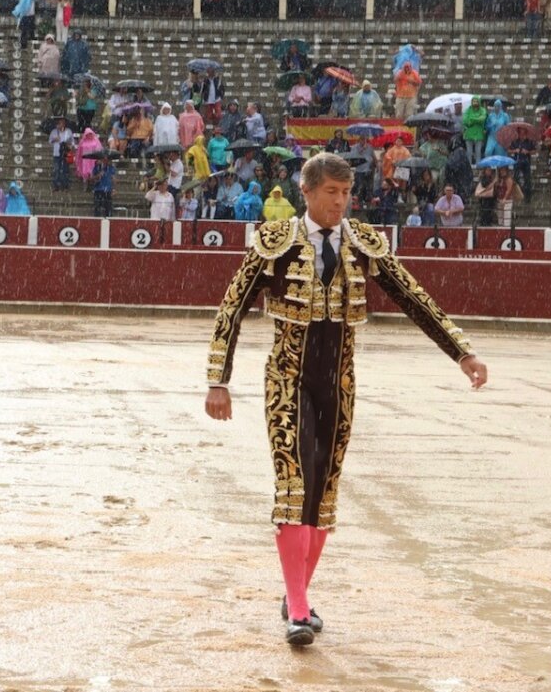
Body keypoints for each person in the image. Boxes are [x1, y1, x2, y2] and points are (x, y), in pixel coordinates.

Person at [203, 152, 487, 647]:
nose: (340, 202)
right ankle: (297, 609)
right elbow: (232, 306)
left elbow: (413, 297)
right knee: (295, 485)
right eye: (331, 192)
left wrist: (461, 352)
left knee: (322, 492)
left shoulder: (363, 243)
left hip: (340, 385)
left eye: (346, 192)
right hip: (287, 381)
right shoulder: (276, 243)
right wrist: (218, 380)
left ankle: (298, 593)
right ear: (307, 193)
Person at [49, 116, 74, 191]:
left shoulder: (68, 131)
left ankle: (65, 185)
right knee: (57, 169)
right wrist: (54, 139)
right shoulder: (54, 131)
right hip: (57, 153)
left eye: (62, 123)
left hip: (65, 153)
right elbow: (50, 141)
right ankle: (56, 185)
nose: (61, 124)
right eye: (59, 123)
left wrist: (69, 144)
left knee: (65, 169)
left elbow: (72, 142)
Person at [462, 96, 487, 165]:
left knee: (478, 152)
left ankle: (478, 167)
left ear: (479, 102)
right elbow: (465, 120)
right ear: (471, 102)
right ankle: (469, 167)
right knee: (469, 152)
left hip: (479, 134)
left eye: (476, 101)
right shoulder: (468, 110)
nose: (475, 103)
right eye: (474, 101)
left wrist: (472, 119)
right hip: (469, 134)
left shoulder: (483, 110)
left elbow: (482, 119)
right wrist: (477, 120)